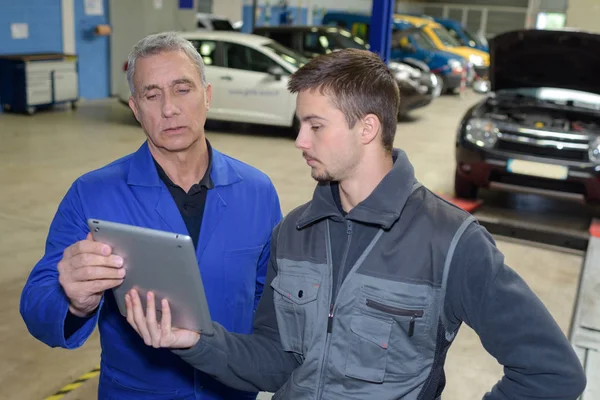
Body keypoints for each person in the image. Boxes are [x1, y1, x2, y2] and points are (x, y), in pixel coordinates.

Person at [125, 48, 587, 399]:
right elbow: (274, 361)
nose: (300, 140)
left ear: (367, 129)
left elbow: (552, 373)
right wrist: (196, 340)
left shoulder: (451, 242)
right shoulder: (294, 232)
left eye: (315, 125)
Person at [19, 31, 282, 400]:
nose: (169, 109)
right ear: (135, 108)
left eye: (182, 89)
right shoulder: (92, 193)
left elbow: (269, 300)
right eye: (151, 95)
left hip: (229, 391)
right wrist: (73, 300)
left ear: (207, 95)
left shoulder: (257, 191)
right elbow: (36, 305)